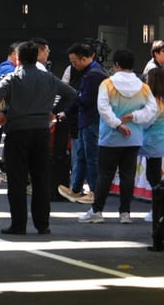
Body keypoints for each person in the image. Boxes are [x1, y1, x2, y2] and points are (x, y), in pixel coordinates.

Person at [0, 41, 76, 235]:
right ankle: (42, 224)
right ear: (37, 57)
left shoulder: (13, 78)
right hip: (41, 131)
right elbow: (70, 94)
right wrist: (54, 112)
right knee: (41, 179)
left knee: (17, 180)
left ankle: (18, 224)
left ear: (17, 59)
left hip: (17, 130)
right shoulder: (48, 78)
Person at [79, 49, 157, 224]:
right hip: (134, 137)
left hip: (110, 137)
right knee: (128, 175)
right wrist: (135, 117)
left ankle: (97, 211)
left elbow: (103, 109)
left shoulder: (107, 84)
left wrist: (117, 124)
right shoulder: (143, 87)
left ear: (116, 65)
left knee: (105, 175)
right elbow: (152, 109)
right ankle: (125, 213)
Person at [57, 43, 106, 205]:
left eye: (74, 61)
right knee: (82, 156)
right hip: (86, 119)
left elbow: (85, 99)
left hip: (91, 120)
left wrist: (73, 101)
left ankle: (93, 191)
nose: (73, 65)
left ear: (84, 58)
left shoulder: (93, 75)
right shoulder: (90, 72)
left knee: (90, 157)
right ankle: (76, 189)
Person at [142, 68, 164, 222]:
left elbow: (145, 123)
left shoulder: (154, 102)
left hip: (153, 144)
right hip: (159, 143)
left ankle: (156, 210)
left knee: (154, 178)